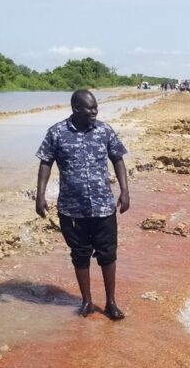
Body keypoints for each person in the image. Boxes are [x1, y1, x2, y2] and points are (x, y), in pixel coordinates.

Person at [35, 89, 131, 320]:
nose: (95, 112)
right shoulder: (56, 133)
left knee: (108, 255)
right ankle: (87, 301)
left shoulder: (104, 130)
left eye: (96, 107)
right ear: (76, 108)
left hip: (103, 207)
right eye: (90, 108)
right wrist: (40, 195)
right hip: (71, 209)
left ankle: (110, 303)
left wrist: (125, 191)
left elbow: (118, 159)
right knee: (80, 254)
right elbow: (45, 163)